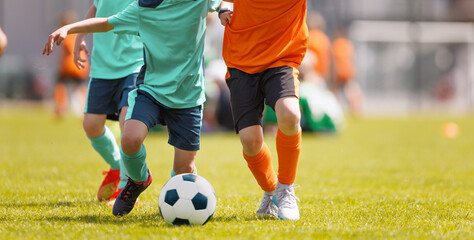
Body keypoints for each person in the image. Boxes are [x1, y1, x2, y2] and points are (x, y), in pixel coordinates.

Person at [43, 0, 222, 217]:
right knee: (129, 138)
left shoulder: (199, 2)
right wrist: (70, 29)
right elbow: (106, 22)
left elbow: (224, 4)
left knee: (184, 169)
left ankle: (175, 197)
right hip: (151, 90)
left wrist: (225, 12)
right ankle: (136, 180)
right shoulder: (143, 8)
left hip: (188, 97)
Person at [219, 0, 308, 220]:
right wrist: (221, 6)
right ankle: (271, 191)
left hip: (281, 57)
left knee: (290, 114)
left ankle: (286, 188)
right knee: (250, 142)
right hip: (241, 59)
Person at [71, 1, 144, 205]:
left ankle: (125, 185)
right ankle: (117, 165)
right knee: (91, 126)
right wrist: (80, 37)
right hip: (103, 66)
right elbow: (96, 7)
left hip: (135, 63)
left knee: (126, 120)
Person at [54, 10, 90, 118]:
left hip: (70, 67)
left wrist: (61, 66)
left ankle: (60, 108)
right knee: (81, 87)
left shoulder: (68, 36)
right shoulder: (79, 35)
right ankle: (86, 108)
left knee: (60, 85)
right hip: (82, 67)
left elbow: (68, 51)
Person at [331, 26, 364, 117]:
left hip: (339, 72)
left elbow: (335, 61)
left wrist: (334, 73)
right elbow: (352, 59)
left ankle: (334, 110)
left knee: (336, 91)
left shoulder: (336, 44)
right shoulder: (348, 44)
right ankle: (355, 110)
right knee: (350, 91)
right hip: (348, 72)